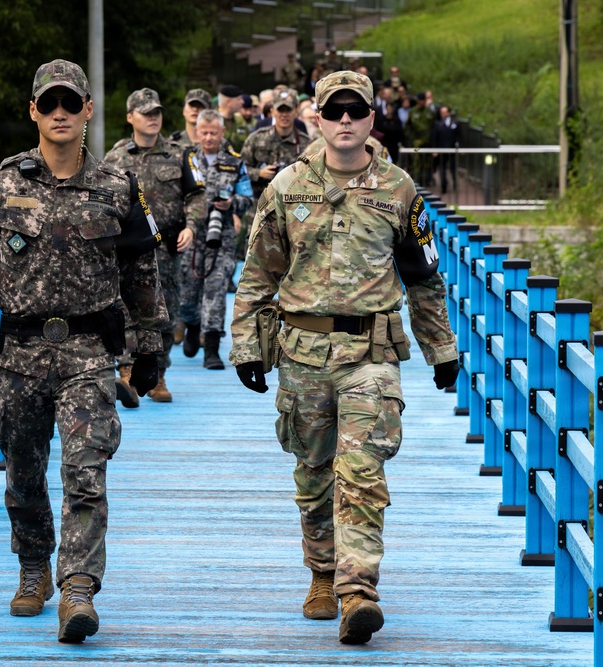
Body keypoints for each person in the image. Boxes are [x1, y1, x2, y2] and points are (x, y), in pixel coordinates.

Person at [229, 70, 459, 645]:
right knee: (312, 474)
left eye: (357, 110)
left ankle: (359, 590)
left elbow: (424, 279)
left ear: (372, 118)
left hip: (371, 354)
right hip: (302, 353)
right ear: (318, 118)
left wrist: (442, 350)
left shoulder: (400, 190)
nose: (346, 121)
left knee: (361, 470)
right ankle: (323, 573)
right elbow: (258, 274)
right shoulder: (285, 187)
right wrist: (246, 346)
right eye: (336, 112)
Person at [0, 59, 167, 644]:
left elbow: (143, 270)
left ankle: (78, 589)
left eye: (72, 103)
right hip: (18, 352)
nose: (61, 113)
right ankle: (34, 566)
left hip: (91, 351)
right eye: (50, 104)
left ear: (89, 109)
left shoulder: (118, 188)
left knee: (85, 469)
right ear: (34, 113)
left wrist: (151, 343)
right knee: (22, 473)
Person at [103, 88, 206, 405]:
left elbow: (198, 195)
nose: (153, 118)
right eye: (146, 113)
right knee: (125, 309)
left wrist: (192, 225)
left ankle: (158, 374)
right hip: (127, 250)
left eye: (157, 112)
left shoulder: (180, 153)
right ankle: (127, 371)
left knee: (166, 313)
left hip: (167, 248)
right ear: (130, 117)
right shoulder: (115, 157)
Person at [181, 109, 253, 369]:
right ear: (197, 132)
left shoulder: (235, 162)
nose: (209, 137)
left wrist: (232, 203)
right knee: (188, 290)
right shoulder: (186, 159)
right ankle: (191, 325)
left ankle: (212, 348)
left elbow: (248, 198)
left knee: (216, 289)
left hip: (221, 234)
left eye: (214, 132)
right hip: (191, 233)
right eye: (205, 132)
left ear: (222, 133)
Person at [239, 89, 311, 259]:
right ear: (272, 111)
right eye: (280, 110)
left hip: (294, 210)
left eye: (289, 110)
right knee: (255, 256)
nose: (284, 115)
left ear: (296, 111)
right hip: (260, 208)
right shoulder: (256, 139)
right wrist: (259, 173)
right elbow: (239, 171)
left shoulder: (306, 144)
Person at [430, 104, 460, 194]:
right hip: (441, 149)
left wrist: (461, 147)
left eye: (444, 112)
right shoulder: (437, 124)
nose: (442, 114)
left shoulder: (455, 123)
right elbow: (434, 137)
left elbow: (459, 136)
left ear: (449, 113)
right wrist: (434, 149)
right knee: (442, 168)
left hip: (452, 149)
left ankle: (455, 183)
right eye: (441, 112)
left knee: (453, 167)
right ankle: (443, 185)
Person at [217, 84, 250, 151]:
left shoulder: (241, 121)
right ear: (228, 102)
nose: (242, 102)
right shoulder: (212, 121)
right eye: (239, 99)